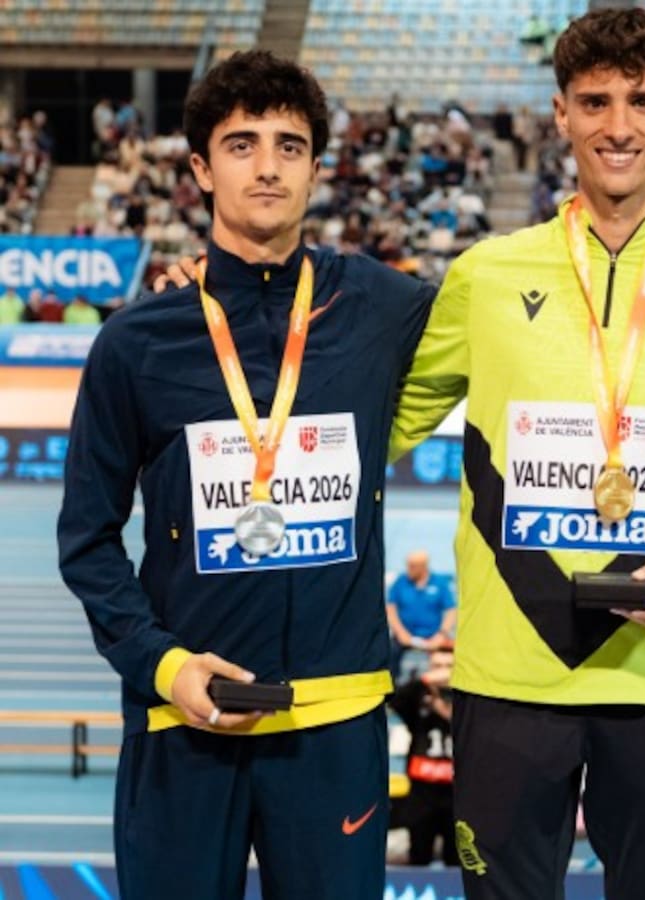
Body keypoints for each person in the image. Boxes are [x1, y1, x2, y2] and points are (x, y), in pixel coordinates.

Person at [389, 9, 645, 899]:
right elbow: (376, 422)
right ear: (560, 114)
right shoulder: (487, 274)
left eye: (641, 101)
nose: (619, 126)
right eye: (595, 101)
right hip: (509, 679)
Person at [57, 51, 437, 900]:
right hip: (183, 721)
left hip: (333, 728)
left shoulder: (384, 306)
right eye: (241, 144)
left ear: (317, 166)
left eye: (290, 145)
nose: (267, 165)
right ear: (199, 168)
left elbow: (525, 300)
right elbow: (86, 541)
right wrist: (163, 665)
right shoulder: (136, 342)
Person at [387, 644, 457, 867]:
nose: (443, 672)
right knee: (419, 855)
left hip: (458, 794)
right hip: (421, 793)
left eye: (448, 666)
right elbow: (395, 700)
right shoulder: (418, 699)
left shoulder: (468, 700)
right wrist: (427, 681)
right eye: (437, 665)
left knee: (459, 862)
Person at [386, 549, 456, 680]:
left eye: (412, 566)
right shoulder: (400, 582)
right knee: (388, 653)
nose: (409, 569)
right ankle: (392, 692)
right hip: (405, 636)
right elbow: (391, 609)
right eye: (408, 565)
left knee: (454, 656)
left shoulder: (439, 583)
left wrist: (442, 634)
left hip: (434, 636)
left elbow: (451, 611)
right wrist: (400, 632)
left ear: (423, 566)